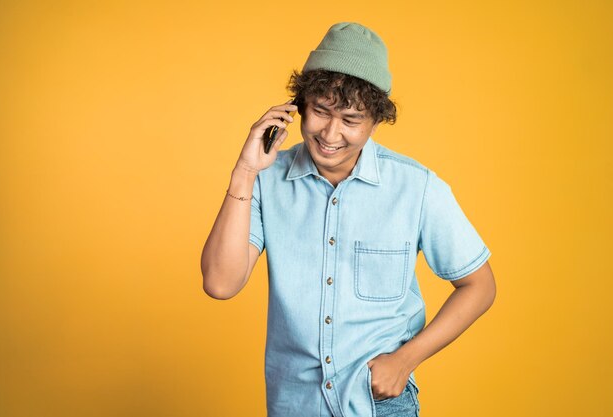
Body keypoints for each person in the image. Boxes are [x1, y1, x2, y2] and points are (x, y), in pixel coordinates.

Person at [201, 22, 496, 417]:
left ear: (376, 122)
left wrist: (406, 360)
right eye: (320, 111)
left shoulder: (417, 187)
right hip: (294, 405)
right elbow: (220, 283)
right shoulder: (265, 181)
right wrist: (245, 169)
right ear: (299, 106)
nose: (330, 133)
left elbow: (480, 285)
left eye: (351, 120)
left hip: (380, 406)